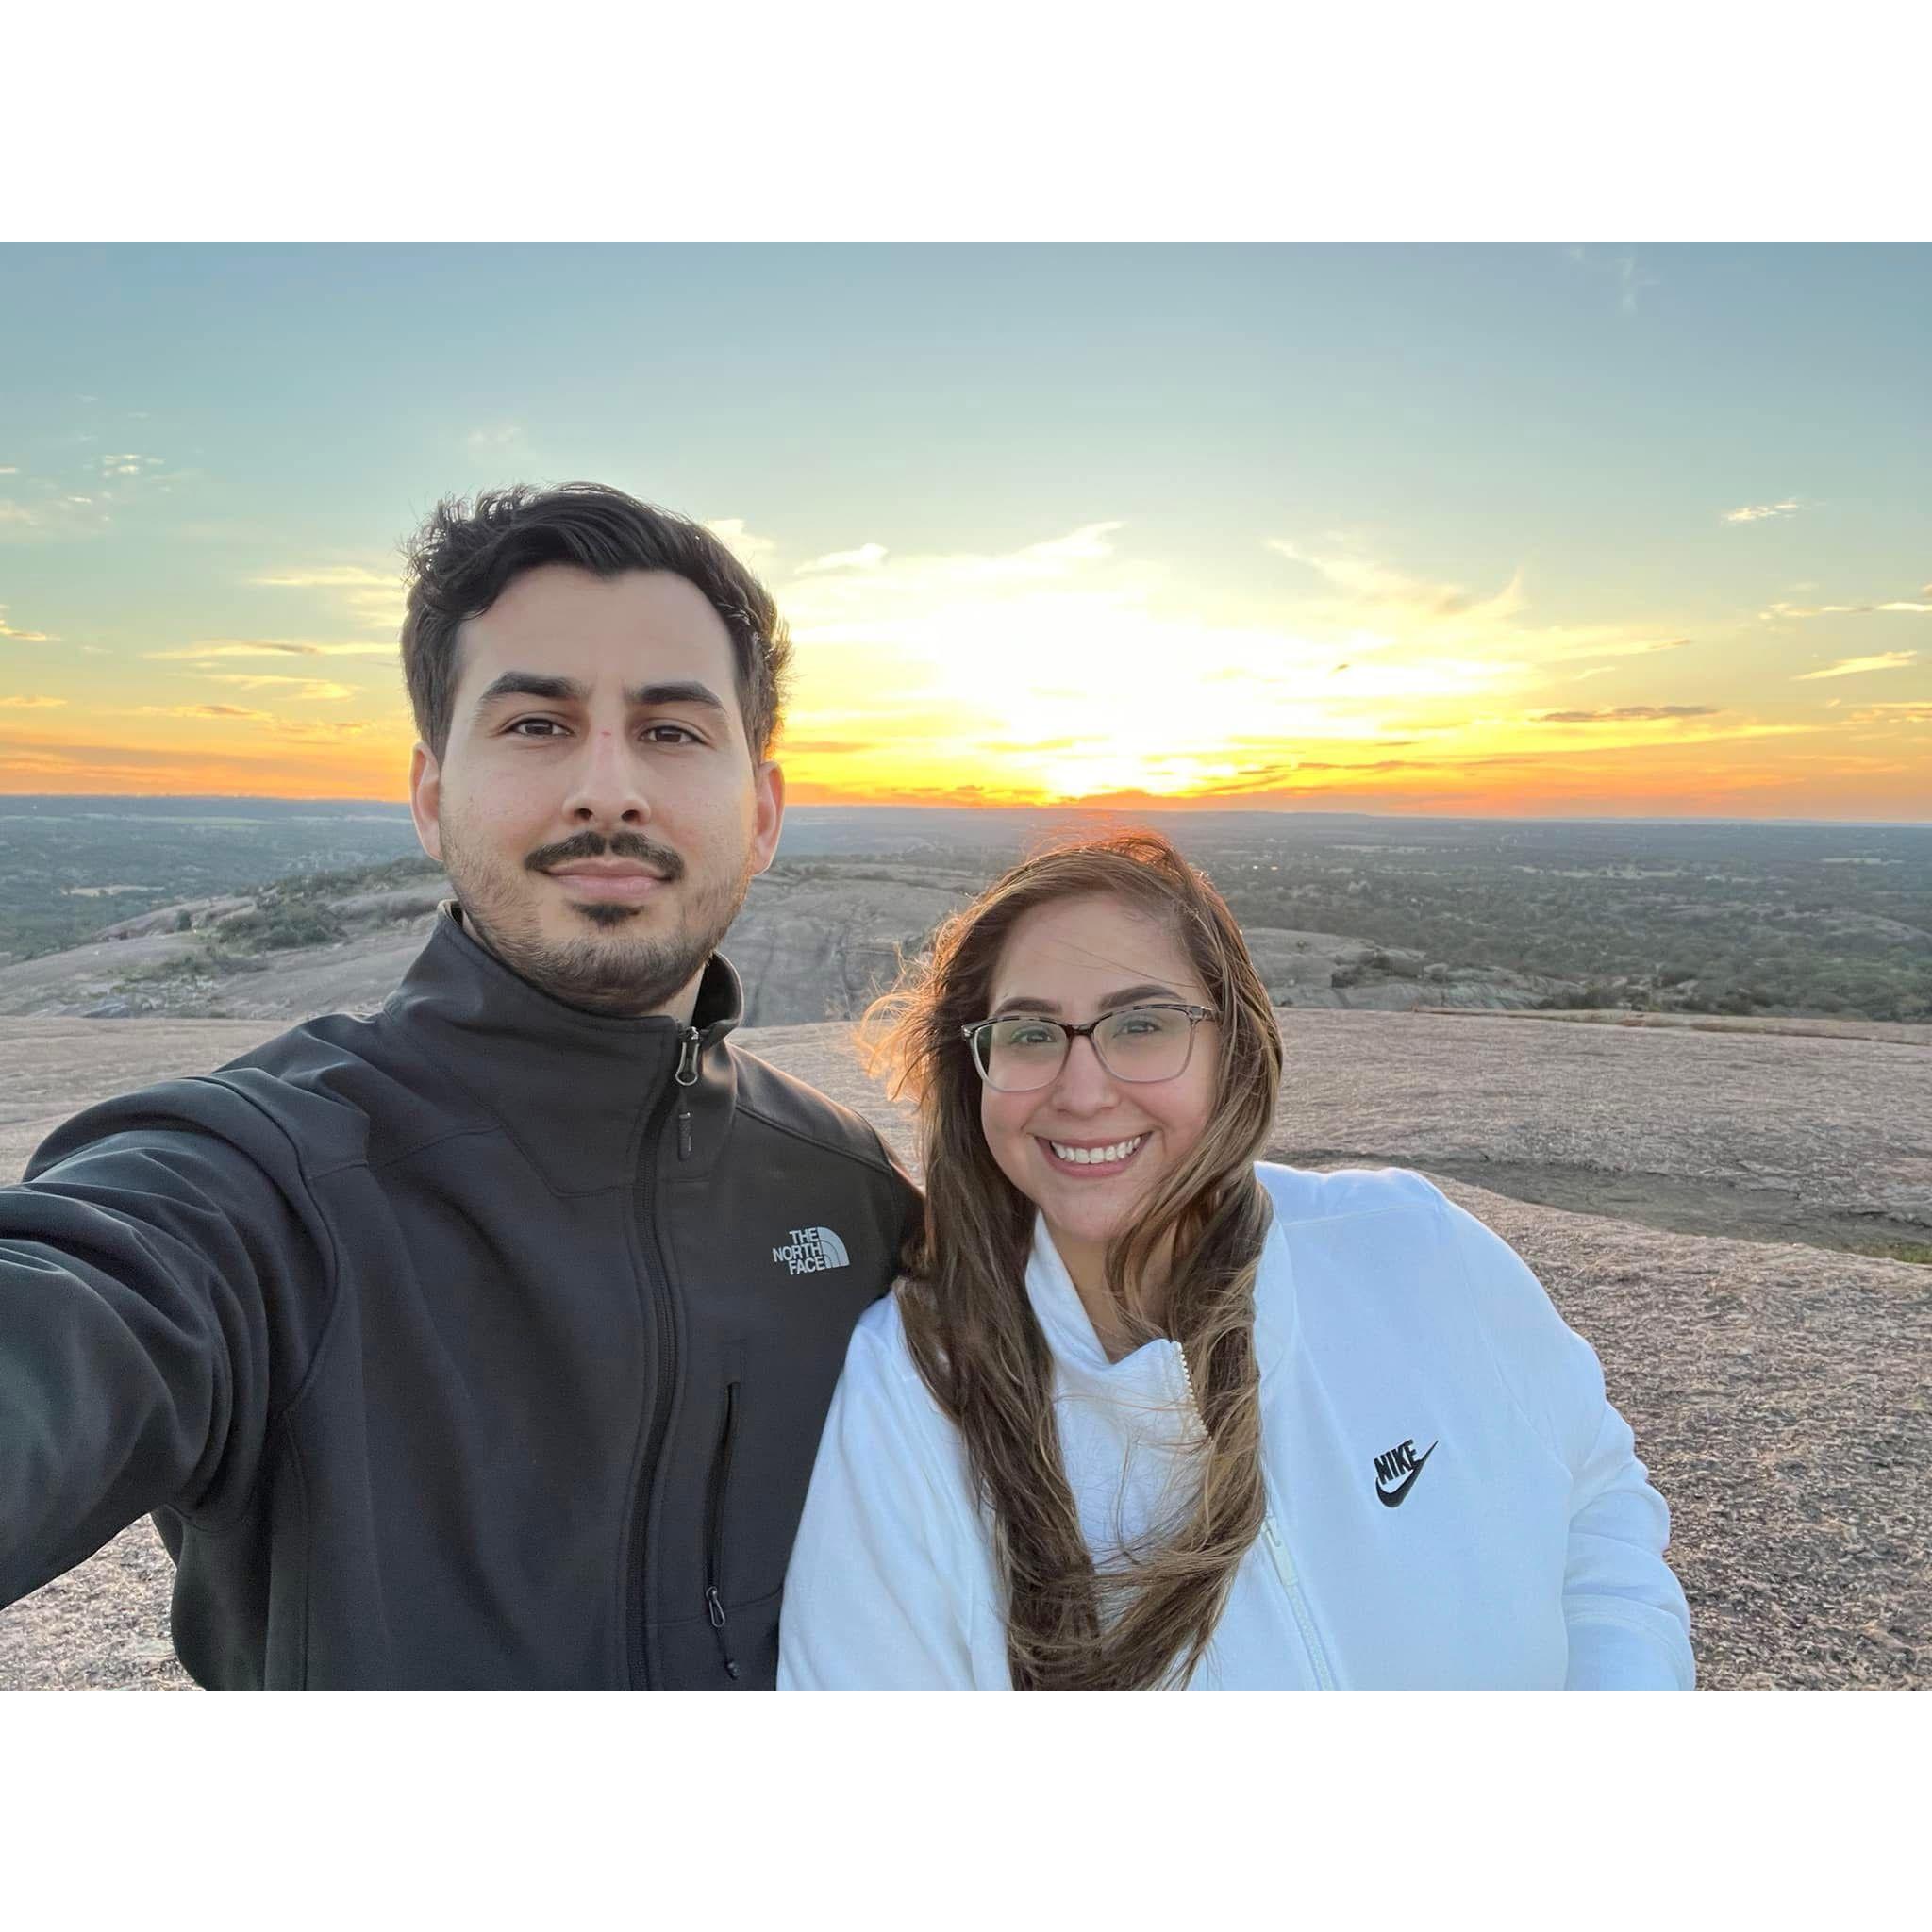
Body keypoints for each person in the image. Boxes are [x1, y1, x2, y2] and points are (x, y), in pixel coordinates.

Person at [0, 482, 919, 1689]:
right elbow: (84, 1300)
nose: (607, 787)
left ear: (761, 811)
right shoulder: (265, 1185)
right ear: (432, 798)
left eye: (672, 730)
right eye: (536, 723)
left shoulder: (848, 1193)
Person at [778, 829, 1695, 1690]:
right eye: (1028, 1033)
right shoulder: (918, 1386)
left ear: (1235, 1049)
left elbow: (1594, 1496)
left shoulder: (1408, 1247)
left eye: (1142, 1024)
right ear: (974, 1070)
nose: (1083, 1091)